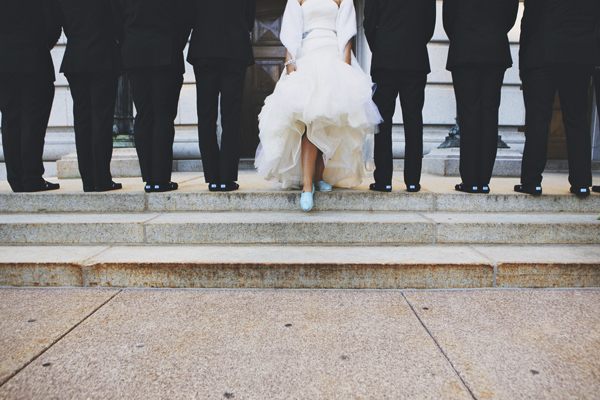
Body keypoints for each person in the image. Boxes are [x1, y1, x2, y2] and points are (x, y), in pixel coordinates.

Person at [255, 0, 382, 211]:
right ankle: (307, 186)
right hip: (308, 56)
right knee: (309, 120)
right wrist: (289, 62)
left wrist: (346, 68)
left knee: (327, 120)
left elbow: (346, 31)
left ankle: (319, 176)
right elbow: (291, 29)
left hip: (333, 56)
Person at [517, 0, 600, 197]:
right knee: (577, 118)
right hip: (579, 56)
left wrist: (523, 59)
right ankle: (581, 183)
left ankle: (532, 181)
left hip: (544, 53)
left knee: (538, 117)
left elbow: (529, 21)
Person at [111, 0, 192, 193]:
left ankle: (149, 177)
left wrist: (128, 42)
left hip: (135, 53)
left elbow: (115, 20)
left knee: (144, 114)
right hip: (165, 50)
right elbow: (186, 17)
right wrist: (175, 42)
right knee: (163, 116)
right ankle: (160, 178)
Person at [45, 0, 122, 192]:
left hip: (76, 57)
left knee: (82, 121)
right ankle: (102, 178)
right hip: (103, 57)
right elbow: (119, 20)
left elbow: (57, 24)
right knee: (101, 120)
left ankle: (88, 179)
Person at [444, 0, 519, 194]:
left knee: (468, 116)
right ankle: (483, 179)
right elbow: (510, 16)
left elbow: (448, 18)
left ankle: (470, 180)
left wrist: (462, 33)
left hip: (465, 47)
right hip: (494, 48)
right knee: (489, 114)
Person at [364, 0, 436, 193]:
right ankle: (413, 181)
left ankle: (383, 180)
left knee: (383, 121)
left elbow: (369, 23)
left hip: (385, 58)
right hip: (415, 59)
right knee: (413, 119)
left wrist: (381, 47)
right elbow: (429, 25)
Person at [188, 0, 256, 192]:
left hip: (204, 46)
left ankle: (212, 177)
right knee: (231, 116)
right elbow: (249, 16)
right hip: (234, 46)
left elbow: (189, 14)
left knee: (206, 115)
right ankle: (226, 178)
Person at [0, 0, 61, 193]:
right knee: (33, 122)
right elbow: (53, 24)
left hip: (4, 62)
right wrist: (40, 45)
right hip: (33, 59)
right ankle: (32, 176)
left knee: (10, 120)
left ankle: (16, 177)